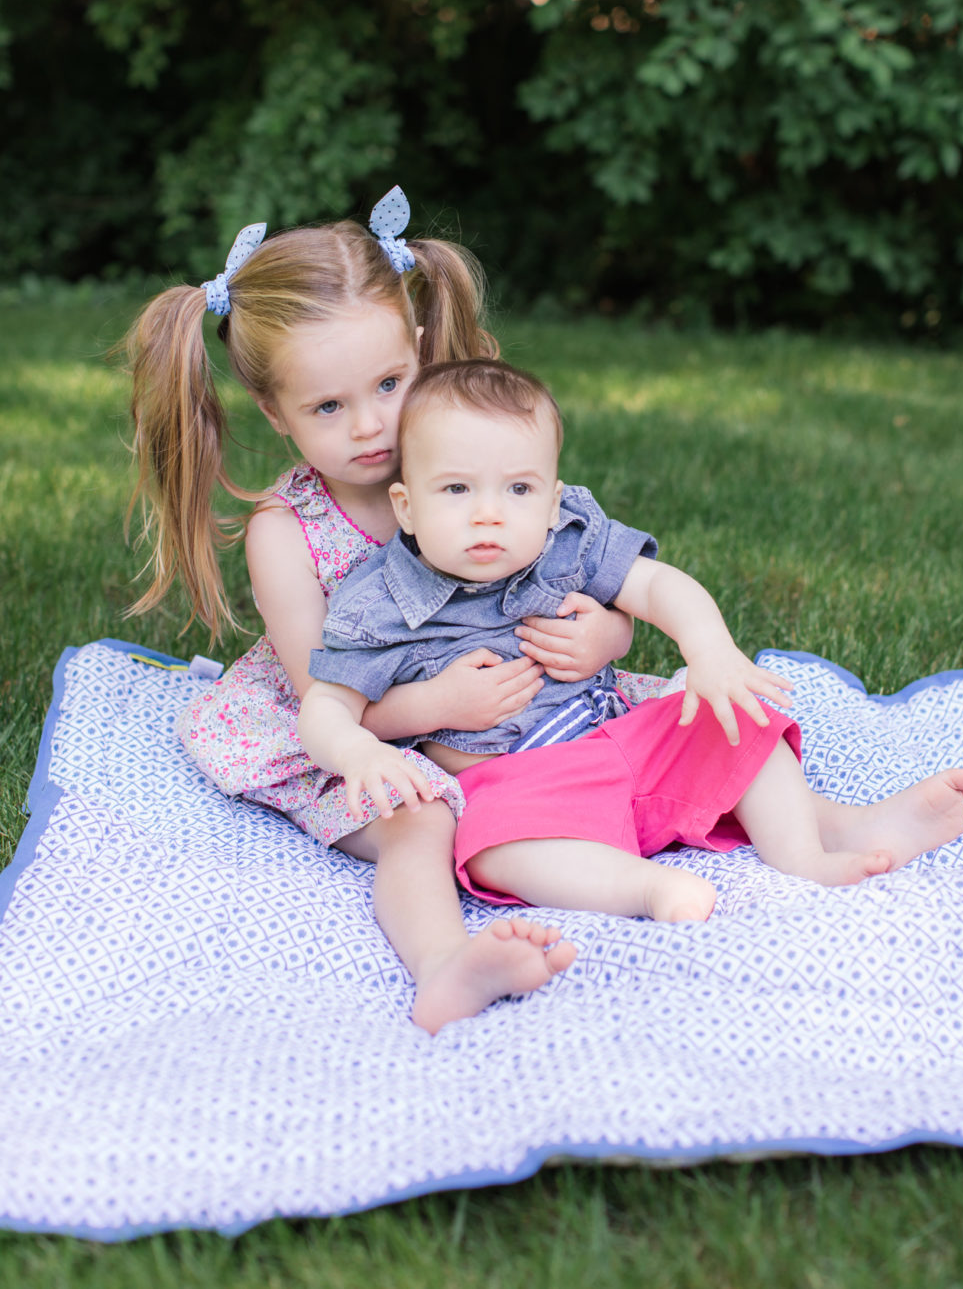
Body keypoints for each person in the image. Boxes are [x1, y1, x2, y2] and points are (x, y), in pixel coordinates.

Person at [123, 191, 641, 1032]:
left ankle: (819, 833)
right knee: (418, 814)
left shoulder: (472, 463)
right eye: (328, 407)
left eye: (391, 385)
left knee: (666, 730)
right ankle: (442, 966)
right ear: (274, 411)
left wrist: (608, 633)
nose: (370, 427)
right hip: (358, 733)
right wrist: (439, 709)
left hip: (509, 704)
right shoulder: (287, 534)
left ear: (422, 352)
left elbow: (585, 574)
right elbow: (323, 699)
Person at [299, 360, 963, 920]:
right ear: (407, 507)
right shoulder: (378, 601)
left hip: (624, 739)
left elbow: (659, 588)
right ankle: (643, 891)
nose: (489, 514)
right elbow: (326, 706)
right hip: (517, 779)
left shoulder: (567, 539)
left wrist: (708, 649)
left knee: (725, 710)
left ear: (552, 497)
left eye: (517, 489)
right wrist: (356, 749)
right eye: (455, 489)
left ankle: (808, 852)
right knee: (486, 842)